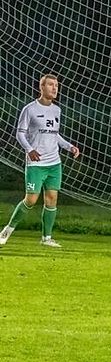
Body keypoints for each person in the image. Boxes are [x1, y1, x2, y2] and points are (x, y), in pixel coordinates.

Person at [0, 74, 80, 248]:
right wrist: (30, 150)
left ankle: (46, 238)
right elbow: (20, 133)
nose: (54, 88)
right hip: (36, 163)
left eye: (56, 85)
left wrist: (69, 147)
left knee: (52, 199)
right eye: (50, 85)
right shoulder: (29, 109)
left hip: (54, 163)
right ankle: (6, 231)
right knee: (31, 200)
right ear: (41, 87)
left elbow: (54, 134)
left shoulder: (57, 110)